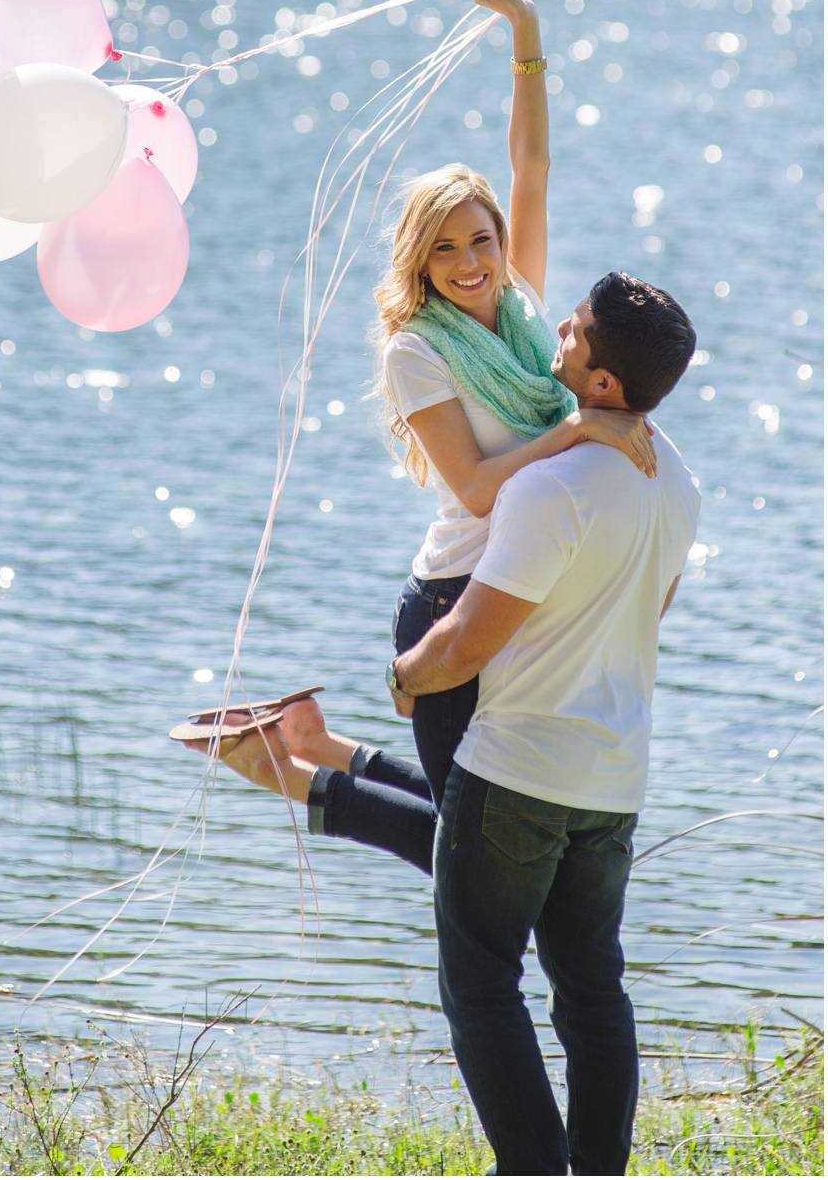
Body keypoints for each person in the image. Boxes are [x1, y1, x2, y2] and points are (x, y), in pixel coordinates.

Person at [181, 270, 699, 1176]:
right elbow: (647, 611)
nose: (557, 340)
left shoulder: (552, 489)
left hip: (521, 769)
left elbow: (463, 642)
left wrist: (403, 675)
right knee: (592, 993)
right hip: (615, 778)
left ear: (605, 383)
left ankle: (532, 1169)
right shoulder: (677, 480)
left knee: (484, 984)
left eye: (572, 333)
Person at [347, 0, 655, 819]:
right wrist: (583, 429)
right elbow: (479, 489)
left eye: (480, 239)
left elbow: (533, 162)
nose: (469, 263)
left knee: (496, 822)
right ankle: (319, 775)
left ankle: (322, 768)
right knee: (469, 838)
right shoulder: (417, 351)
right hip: (452, 595)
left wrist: (525, 28)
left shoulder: (521, 304)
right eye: (444, 249)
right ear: (421, 262)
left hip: (520, 584)